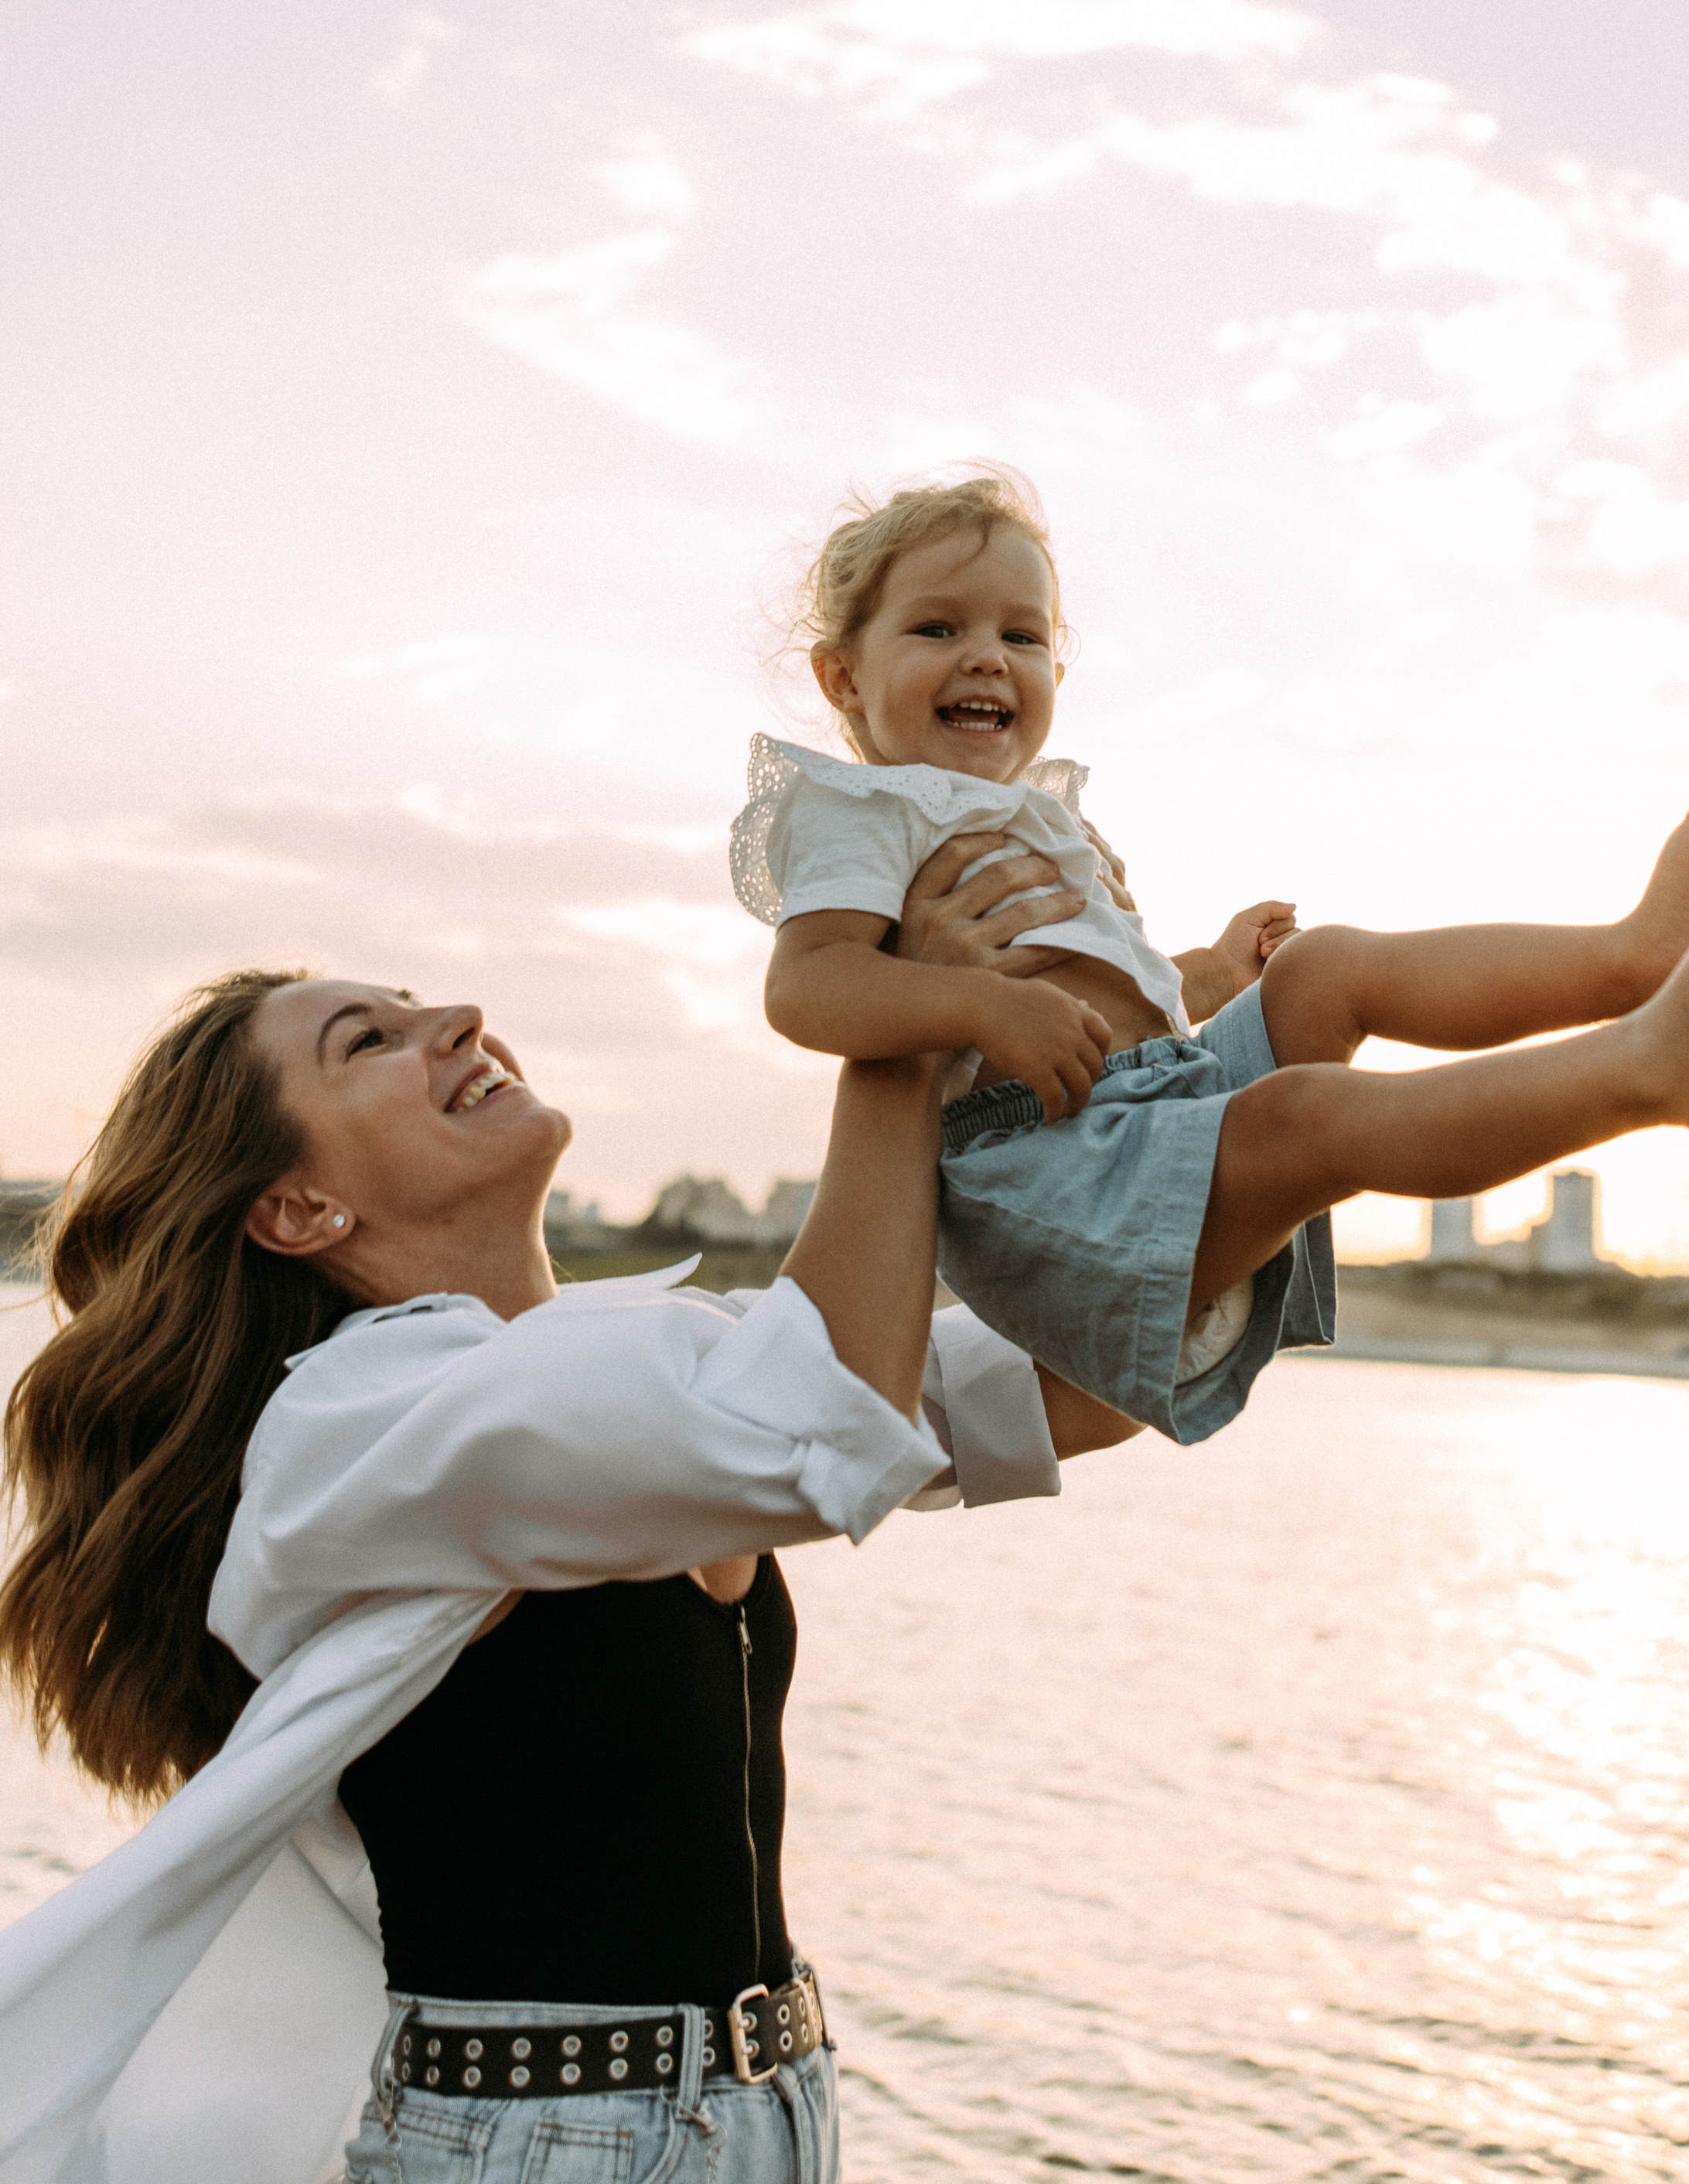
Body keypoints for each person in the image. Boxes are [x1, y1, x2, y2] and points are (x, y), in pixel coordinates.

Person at [0, 842, 1133, 2184]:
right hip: (543, 2142)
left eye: (419, 1001)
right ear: (300, 1207)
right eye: (371, 1039)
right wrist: (893, 1025)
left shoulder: (649, 1360)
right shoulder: (350, 1428)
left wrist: (1173, 1041)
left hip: (771, 2115)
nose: (459, 1020)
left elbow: (1089, 1383)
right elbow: (820, 1412)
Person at [734, 469, 1689, 1445]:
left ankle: (1630, 962)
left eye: (1022, 635)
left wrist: (1201, 976)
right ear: (842, 679)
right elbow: (811, 986)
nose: (987, 657)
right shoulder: (859, 811)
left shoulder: (1034, 816)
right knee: (1307, 1118)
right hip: (1047, 1182)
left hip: (1151, 1106)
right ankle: (1654, 1073)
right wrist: (974, 1010)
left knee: (1323, 968)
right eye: (937, 627)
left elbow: (1112, 998)